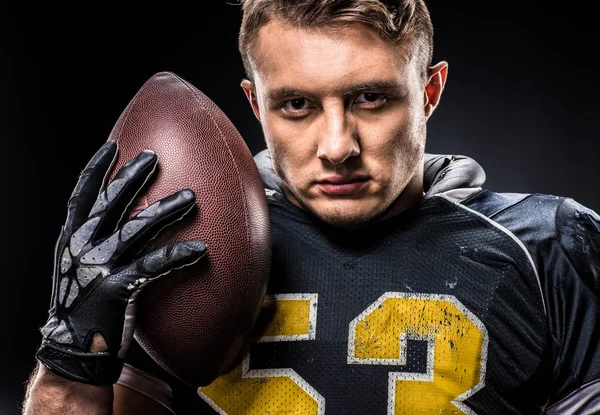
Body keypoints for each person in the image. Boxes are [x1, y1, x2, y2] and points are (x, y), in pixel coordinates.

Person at [22, 0, 600, 414]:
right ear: (255, 103)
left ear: (429, 91)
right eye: (296, 104)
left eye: (370, 98)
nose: (337, 147)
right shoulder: (182, 243)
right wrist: (70, 350)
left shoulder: (549, 246)